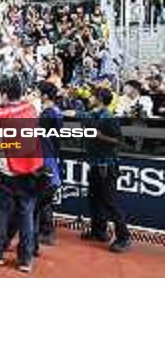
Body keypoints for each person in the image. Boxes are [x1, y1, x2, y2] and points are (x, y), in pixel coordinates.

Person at [0, 75, 45, 273]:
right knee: (26, 215)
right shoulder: (32, 108)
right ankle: (25, 259)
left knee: (2, 213)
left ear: (3, 94)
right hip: (32, 171)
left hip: (7, 172)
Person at [70, 88, 132, 253]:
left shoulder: (110, 119)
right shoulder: (91, 115)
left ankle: (124, 237)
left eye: (92, 96)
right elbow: (74, 113)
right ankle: (99, 231)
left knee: (110, 202)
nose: (89, 98)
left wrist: (100, 136)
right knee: (94, 199)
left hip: (107, 166)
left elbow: (119, 141)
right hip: (94, 165)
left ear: (99, 99)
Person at [36, 81, 64, 247]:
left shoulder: (47, 113)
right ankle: (45, 230)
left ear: (45, 95)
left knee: (42, 196)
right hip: (51, 155)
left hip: (45, 157)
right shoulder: (56, 111)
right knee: (44, 196)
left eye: (38, 91)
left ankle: (46, 231)